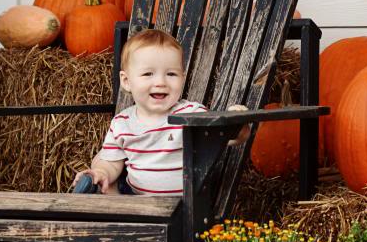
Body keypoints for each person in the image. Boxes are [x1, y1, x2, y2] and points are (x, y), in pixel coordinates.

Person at [74, 28, 249, 195]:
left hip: (185, 205)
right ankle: (102, 199)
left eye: (171, 74)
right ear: (126, 81)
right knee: (106, 179)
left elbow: (222, 137)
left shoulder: (191, 114)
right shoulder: (122, 122)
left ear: (183, 78)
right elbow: (112, 163)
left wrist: (235, 125)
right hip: (136, 202)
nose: (160, 82)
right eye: (148, 74)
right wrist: (102, 171)